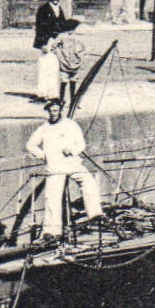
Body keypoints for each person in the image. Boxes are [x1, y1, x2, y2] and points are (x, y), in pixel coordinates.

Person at [26, 99, 104, 238]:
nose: (53, 113)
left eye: (55, 110)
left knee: (89, 182)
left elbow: (81, 144)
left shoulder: (70, 125)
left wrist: (72, 150)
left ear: (60, 110)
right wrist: (43, 155)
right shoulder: (44, 128)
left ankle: (94, 214)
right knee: (52, 197)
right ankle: (52, 231)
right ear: (47, 112)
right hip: (55, 167)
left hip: (71, 163)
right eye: (50, 111)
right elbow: (30, 145)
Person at [53, 18, 86, 107]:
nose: (71, 31)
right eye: (69, 29)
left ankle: (73, 101)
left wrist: (80, 56)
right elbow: (54, 46)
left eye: (73, 29)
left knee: (73, 82)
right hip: (64, 62)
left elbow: (83, 48)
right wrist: (59, 54)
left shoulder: (77, 37)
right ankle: (61, 101)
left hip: (75, 62)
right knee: (63, 82)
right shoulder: (62, 36)